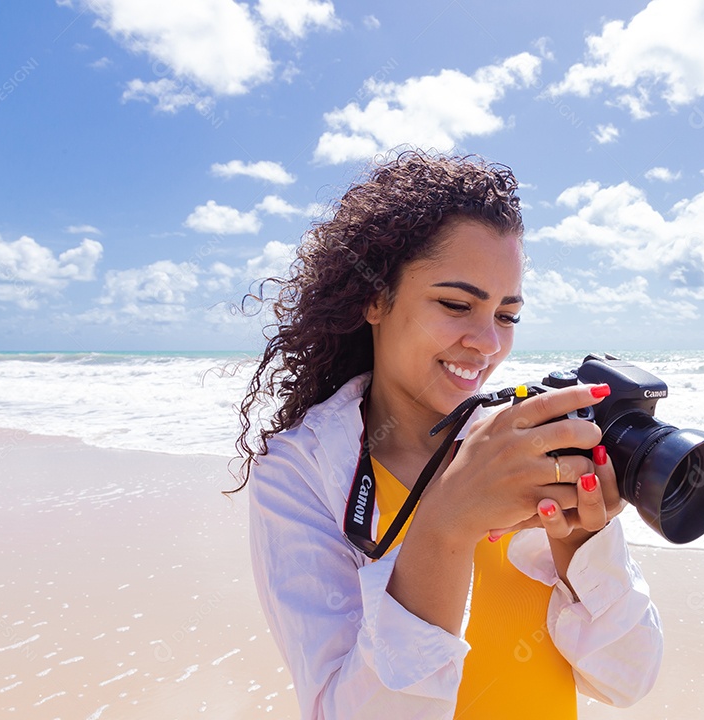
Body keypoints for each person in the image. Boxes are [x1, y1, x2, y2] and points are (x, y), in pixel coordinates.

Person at [233, 150, 663, 719]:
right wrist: (443, 528)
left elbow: (626, 679)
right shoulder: (300, 469)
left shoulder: (526, 442)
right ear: (375, 299)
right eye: (457, 304)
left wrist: (580, 546)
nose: (488, 342)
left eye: (507, 315)